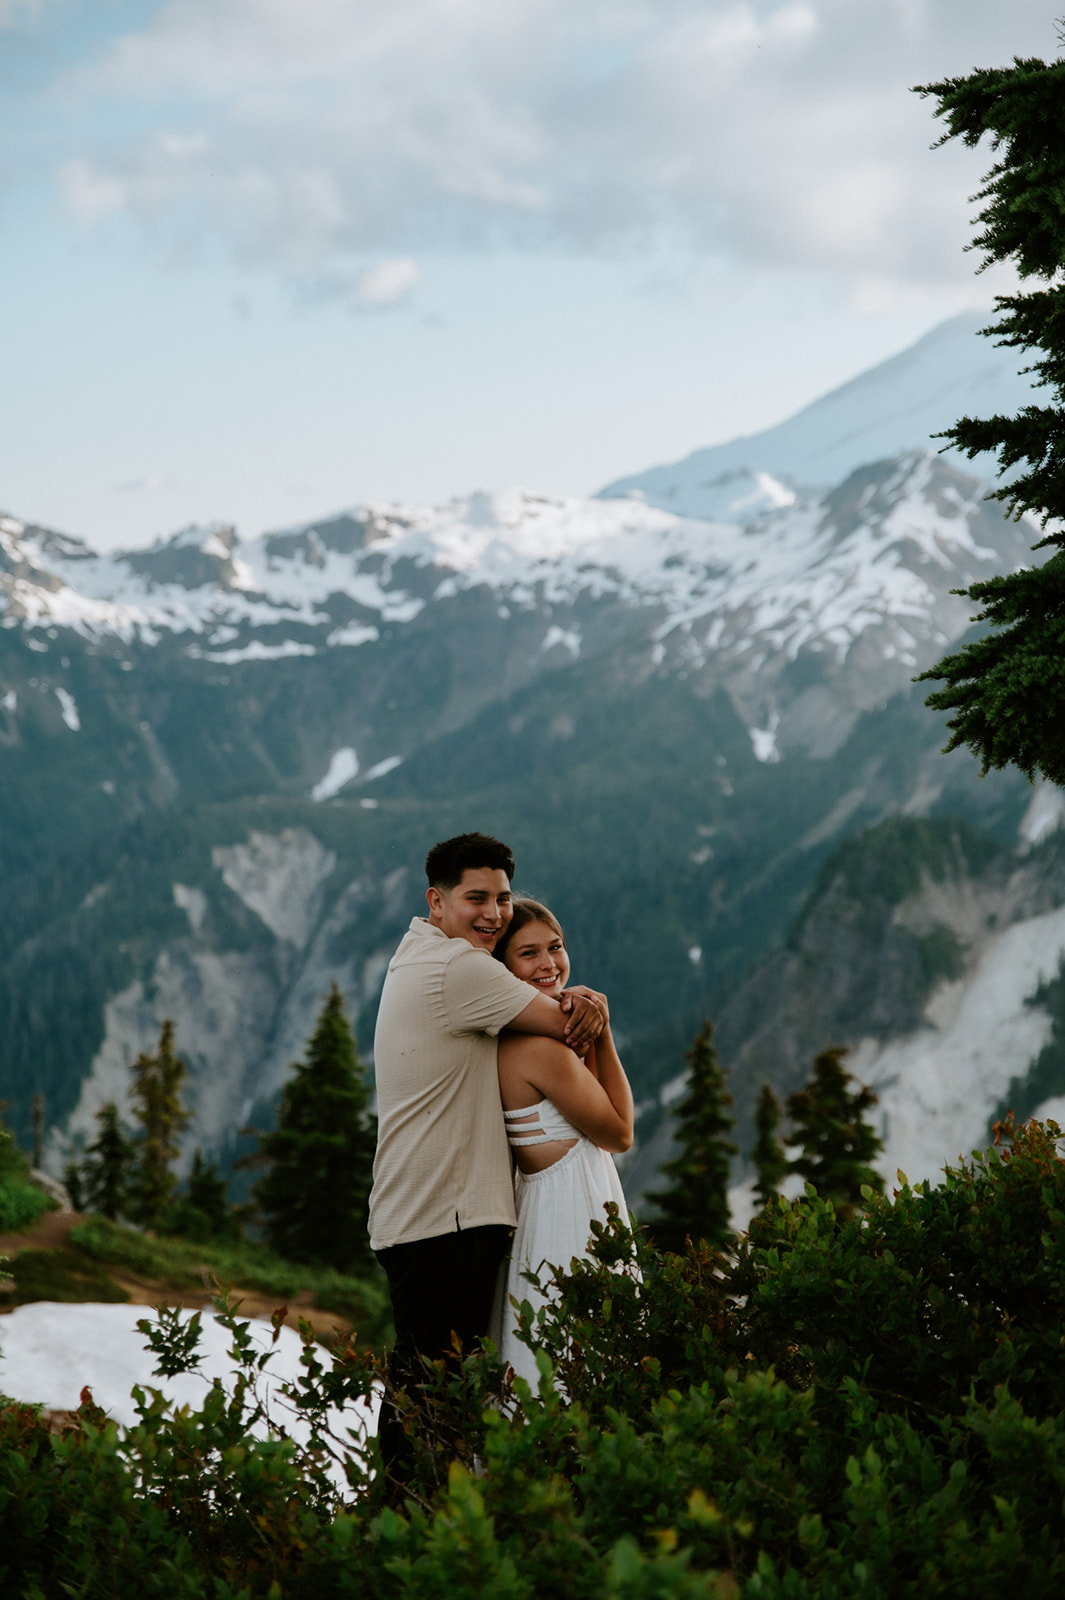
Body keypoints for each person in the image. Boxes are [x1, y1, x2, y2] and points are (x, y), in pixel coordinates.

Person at [369, 832, 604, 1486]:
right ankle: (416, 1524)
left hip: (418, 1213)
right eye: (476, 898)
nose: (493, 913)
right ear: (436, 900)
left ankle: (409, 1520)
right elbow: (565, 1024)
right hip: (445, 1218)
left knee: (423, 1378)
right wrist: (589, 1000)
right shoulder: (459, 968)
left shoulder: (417, 953)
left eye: (501, 898)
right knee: (437, 1386)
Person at [490, 898, 635, 1391]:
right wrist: (605, 1030)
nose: (548, 963)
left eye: (555, 947)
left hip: (548, 1204)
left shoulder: (517, 1036)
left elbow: (591, 1097)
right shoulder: (538, 1048)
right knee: (579, 1365)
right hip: (568, 1215)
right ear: (503, 967)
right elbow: (618, 1133)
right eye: (528, 954)